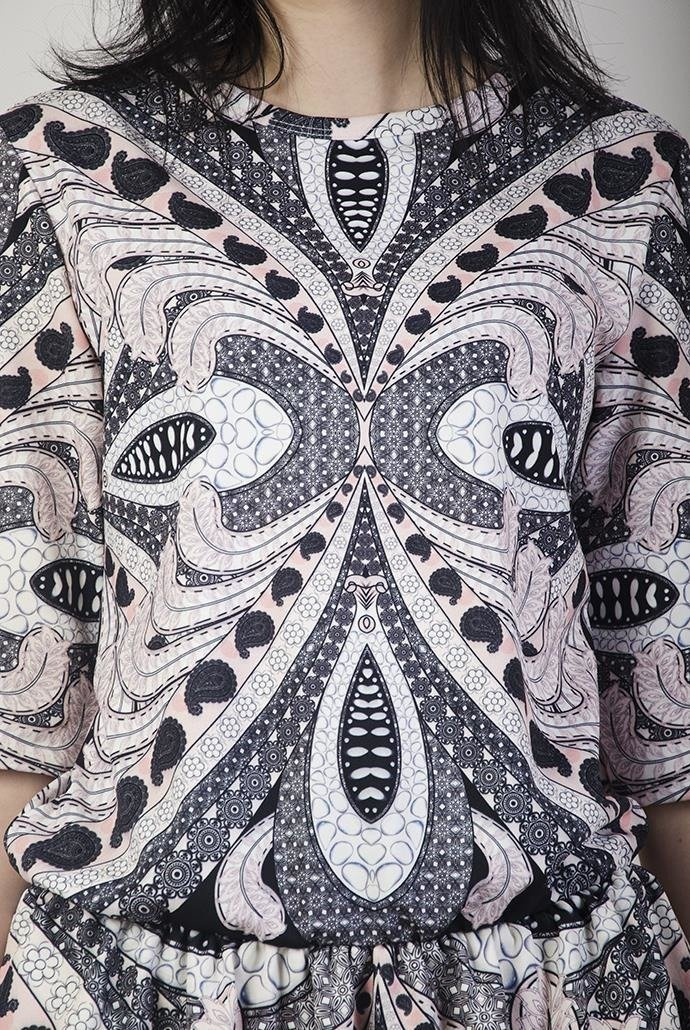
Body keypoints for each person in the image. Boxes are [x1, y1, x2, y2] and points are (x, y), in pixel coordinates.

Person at [0, 0, 689, 1025]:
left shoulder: (619, 180)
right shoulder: (69, 169)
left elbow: (663, 684)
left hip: (547, 987)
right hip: (143, 989)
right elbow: (25, 674)